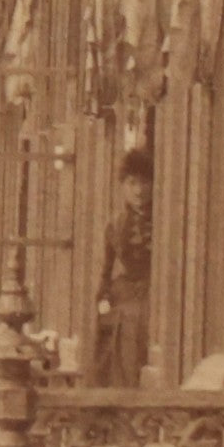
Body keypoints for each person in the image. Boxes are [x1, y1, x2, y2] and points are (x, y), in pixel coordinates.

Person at [93, 148, 153, 387]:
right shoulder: (116, 224)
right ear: (123, 186)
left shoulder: (163, 220)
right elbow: (105, 272)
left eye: (144, 183)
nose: (138, 190)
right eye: (132, 183)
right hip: (126, 292)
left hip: (153, 291)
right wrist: (103, 301)